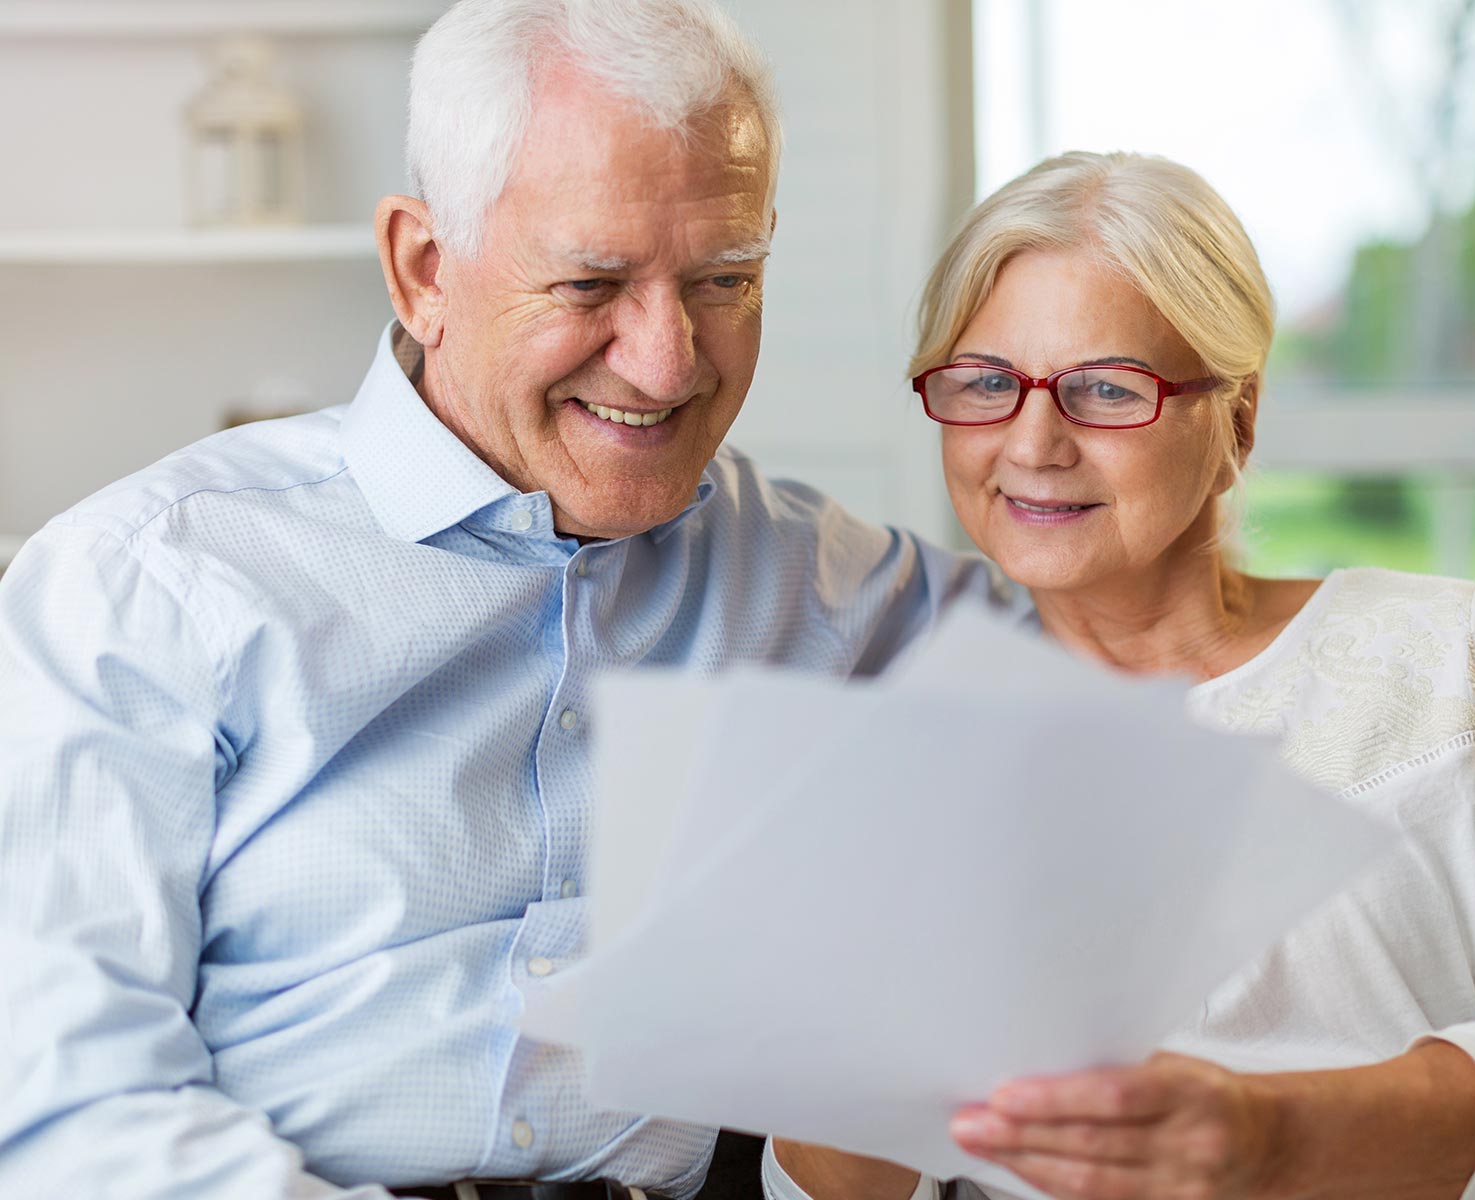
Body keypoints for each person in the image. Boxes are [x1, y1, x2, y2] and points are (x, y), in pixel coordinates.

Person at [0, 2, 1015, 1196]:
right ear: (424, 269)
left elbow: (1174, 673)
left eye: (724, 279)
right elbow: (66, 1105)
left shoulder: (828, 583)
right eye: (591, 284)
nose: (668, 361)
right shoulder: (149, 582)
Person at [768, 151, 1475, 1200]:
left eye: (1105, 390)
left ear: (1238, 419)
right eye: (985, 383)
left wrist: (1273, 1141)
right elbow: (809, 1182)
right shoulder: (896, 729)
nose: (1031, 443)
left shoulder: (1447, 653)